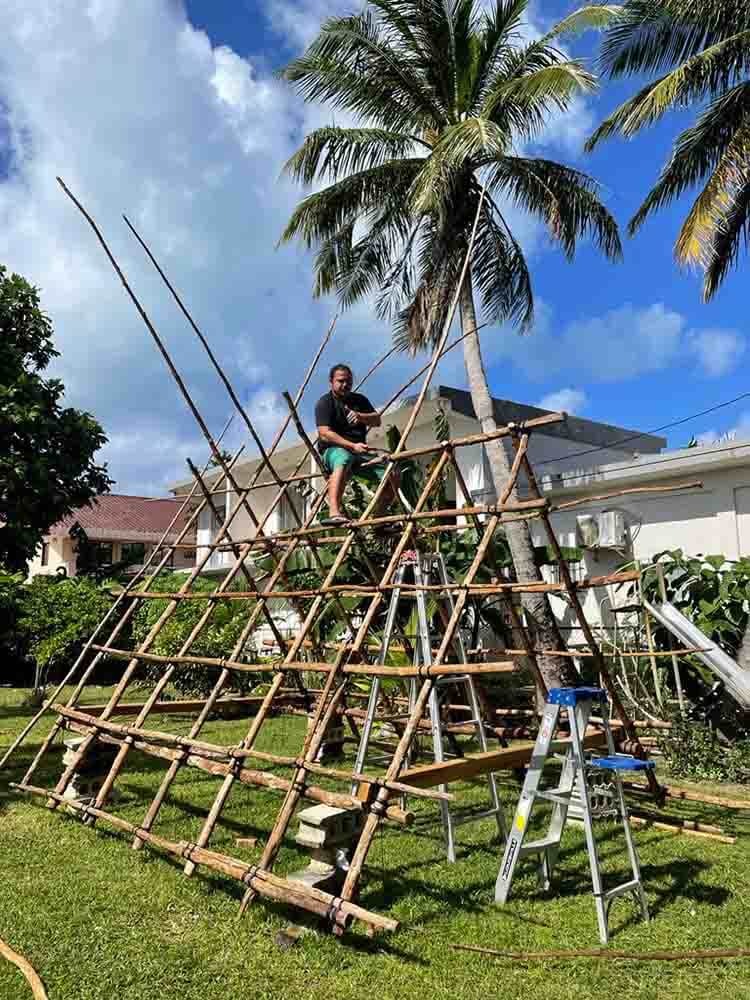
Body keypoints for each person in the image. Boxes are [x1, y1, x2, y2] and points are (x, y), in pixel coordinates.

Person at [314, 364, 399, 525]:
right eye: (341, 381)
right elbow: (324, 433)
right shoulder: (325, 403)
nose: (345, 384)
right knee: (343, 457)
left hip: (359, 454)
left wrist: (360, 417)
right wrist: (352, 446)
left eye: (348, 381)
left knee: (393, 472)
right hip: (332, 451)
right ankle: (334, 512)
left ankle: (379, 519)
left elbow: (377, 420)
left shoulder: (359, 400)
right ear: (331, 381)